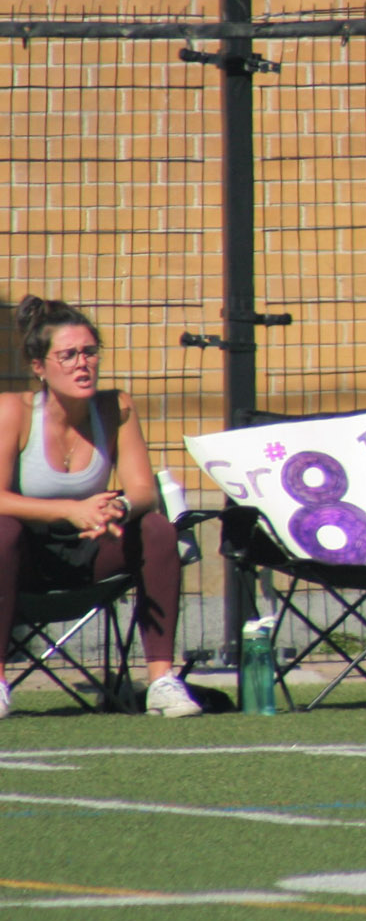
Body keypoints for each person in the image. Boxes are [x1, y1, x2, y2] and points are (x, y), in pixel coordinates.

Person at [0, 297, 201, 718]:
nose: (82, 364)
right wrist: (71, 510)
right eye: (68, 355)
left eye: (89, 352)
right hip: (26, 559)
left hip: (92, 546)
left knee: (158, 529)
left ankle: (162, 682)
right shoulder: (12, 411)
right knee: (4, 531)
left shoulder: (116, 407)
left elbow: (143, 490)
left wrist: (119, 509)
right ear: (39, 366)